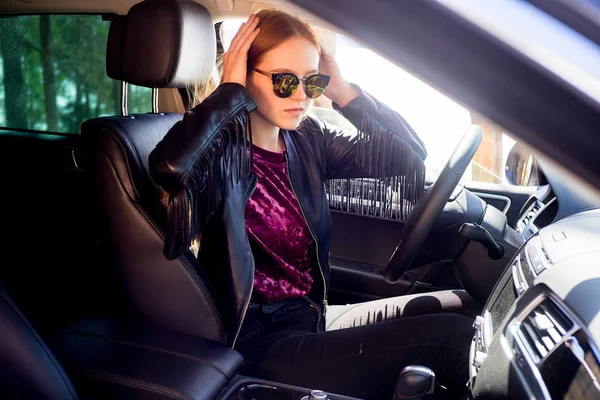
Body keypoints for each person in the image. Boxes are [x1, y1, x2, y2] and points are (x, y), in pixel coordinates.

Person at [149, 9, 475, 400]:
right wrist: (229, 91)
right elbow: (172, 169)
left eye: (312, 81)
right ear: (243, 74)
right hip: (259, 342)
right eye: (285, 81)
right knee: (454, 342)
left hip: (312, 315)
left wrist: (343, 90)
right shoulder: (218, 151)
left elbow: (407, 157)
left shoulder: (307, 140)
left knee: (462, 313)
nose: (301, 95)